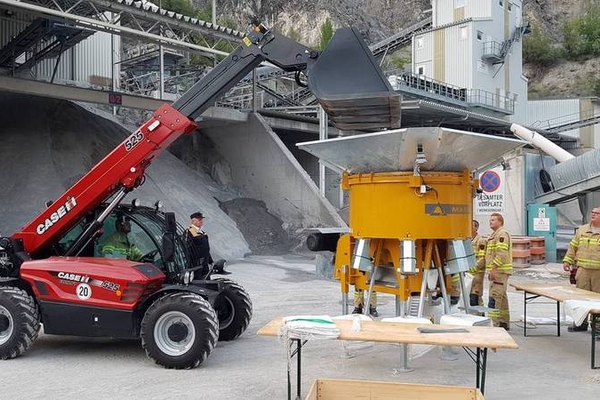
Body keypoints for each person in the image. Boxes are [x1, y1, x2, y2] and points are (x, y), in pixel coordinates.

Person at [562, 206, 600, 332]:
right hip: (583, 270)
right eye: (592, 212)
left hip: (598, 272)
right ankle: (580, 323)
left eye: (597, 213)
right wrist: (567, 260)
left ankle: (598, 328)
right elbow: (573, 246)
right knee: (580, 298)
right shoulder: (582, 230)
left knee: (598, 300)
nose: (593, 215)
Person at [485, 213, 512, 330]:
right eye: (490, 220)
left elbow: (502, 254)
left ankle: (494, 324)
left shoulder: (502, 234)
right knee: (502, 298)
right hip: (499, 271)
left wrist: (494, 268)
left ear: (500, 221)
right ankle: (503, 322)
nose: (490, 222)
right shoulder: (494, 235)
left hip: (499, 271)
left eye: (493, 220)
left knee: (494, 298)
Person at [469, 220, 487, 308]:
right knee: (468, 297)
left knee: (475, 297)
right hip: (468, 274)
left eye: (471, 226)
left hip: (477, 274)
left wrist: (473, 267)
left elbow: (482, 258)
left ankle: (481, 315)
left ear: (476, 228)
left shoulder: (481, 241)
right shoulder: (467, 240)